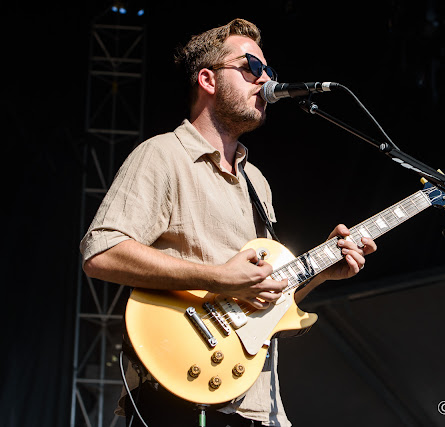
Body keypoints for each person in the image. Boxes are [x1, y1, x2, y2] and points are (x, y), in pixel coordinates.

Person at [80, 18, 376, 427]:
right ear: (208, 79)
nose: (266, 80)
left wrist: (323, 272)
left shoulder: (258, 182)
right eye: (251, 68)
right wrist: (218, 277)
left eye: (269, 72)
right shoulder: (163, 155)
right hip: (181, 394)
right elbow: (102, 252)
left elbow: (262, 299)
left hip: (258, 402)